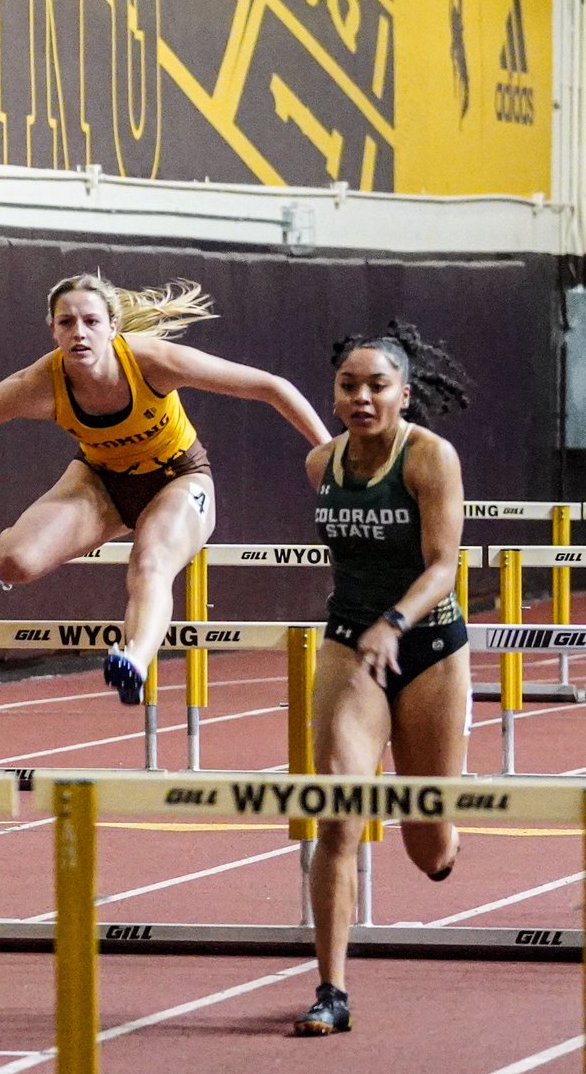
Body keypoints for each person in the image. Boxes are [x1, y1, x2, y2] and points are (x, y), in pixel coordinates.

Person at [0, 272, 331, 704]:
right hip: (100, 481)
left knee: (151, 564)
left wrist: (331, 454)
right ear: (52, 330)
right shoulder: (38, 385)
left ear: (113, 327)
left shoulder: (152, 361)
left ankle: (134, 659)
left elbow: (273, 387)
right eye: (66, 323)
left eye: (91, 321)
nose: (79, 333)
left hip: (177, 477)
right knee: (19, 564)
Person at [295, 321, 471, 1036]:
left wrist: (395, 624)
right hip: (350, 643)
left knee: (426, 846)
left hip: (425, 643)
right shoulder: (321, 464)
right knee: (338, 812)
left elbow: (443, 566)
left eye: (377, 385)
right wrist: (369, 629)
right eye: (349, 385)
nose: (362, 396)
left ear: (404, 392)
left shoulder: (430, 458)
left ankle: (443, 840)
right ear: (335, 394)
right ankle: (331, 990)